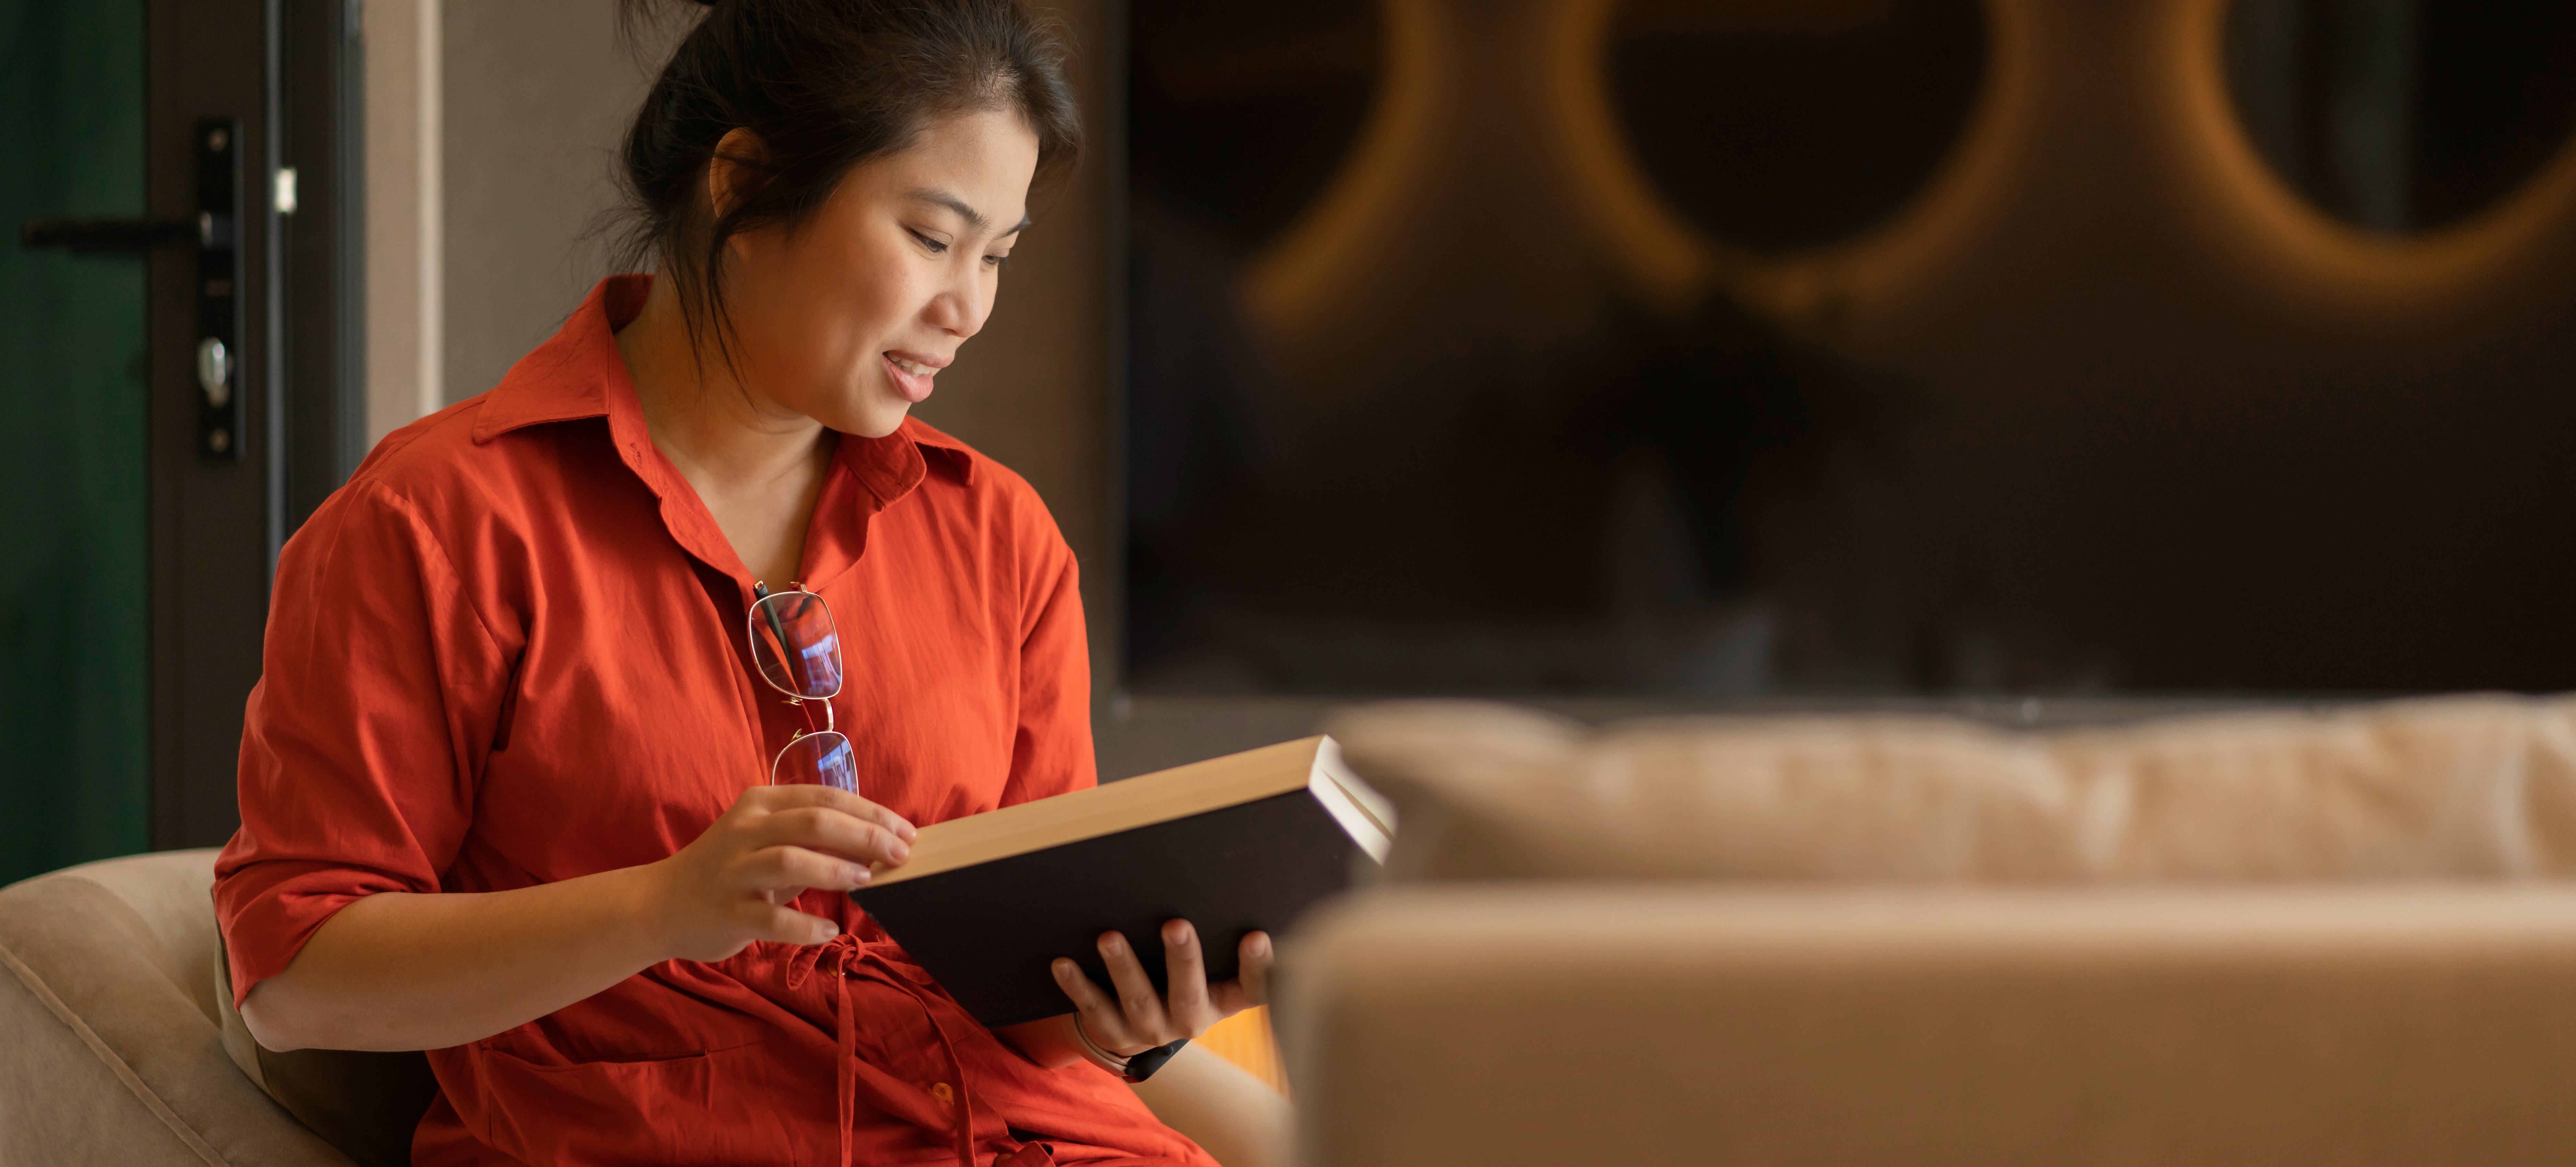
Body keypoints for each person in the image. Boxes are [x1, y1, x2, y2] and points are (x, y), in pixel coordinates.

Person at [212, 2, 1278, 1162]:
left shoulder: (1000, 537)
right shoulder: (438, 524)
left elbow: (1018, 1005)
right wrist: (665, 904)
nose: (968, 309)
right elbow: (295, 975)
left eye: (997, 257)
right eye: (933, 237)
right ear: (745, 182)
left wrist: (1117, 1019)